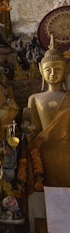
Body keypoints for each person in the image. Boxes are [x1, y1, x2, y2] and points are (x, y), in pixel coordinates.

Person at [26, 36, 70, 187]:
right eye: (48, 69)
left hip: (67, 152)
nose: (52, 73)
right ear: (40, 70)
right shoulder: (35, 99)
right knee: (47, 192)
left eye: (58, 69)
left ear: (67, 69)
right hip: (44, 153)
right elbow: (33, 130)